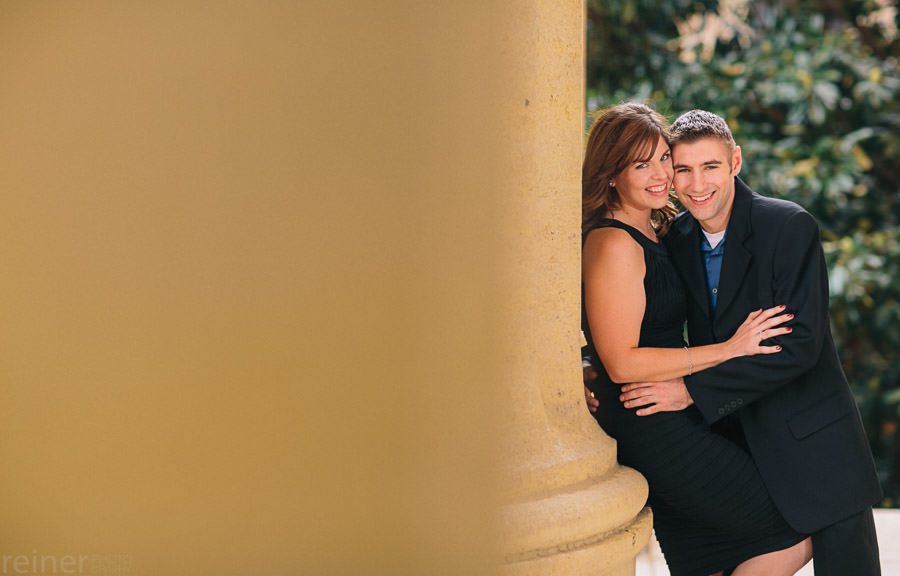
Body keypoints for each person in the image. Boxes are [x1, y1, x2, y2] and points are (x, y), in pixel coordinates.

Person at [611, 109, 882, 575]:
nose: (697, 184)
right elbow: (637, 318)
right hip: (729, 446)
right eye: (684, 169)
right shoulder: (675, 238)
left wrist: (691, 390)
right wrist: (591, 366)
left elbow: (799, 346)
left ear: (735, 161)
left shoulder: (788, 227)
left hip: (813, 443)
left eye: (711, 166)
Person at [582, 102, 812, 576]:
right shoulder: (614, 243)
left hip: (666, 411)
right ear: (611, 175)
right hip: (648, 420)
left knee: (708, 559)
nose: (660, 174)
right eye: (639, 164)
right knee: (793, 531)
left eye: (663, 158)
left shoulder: (653, 227)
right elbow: (622, 361)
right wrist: (730, 349)